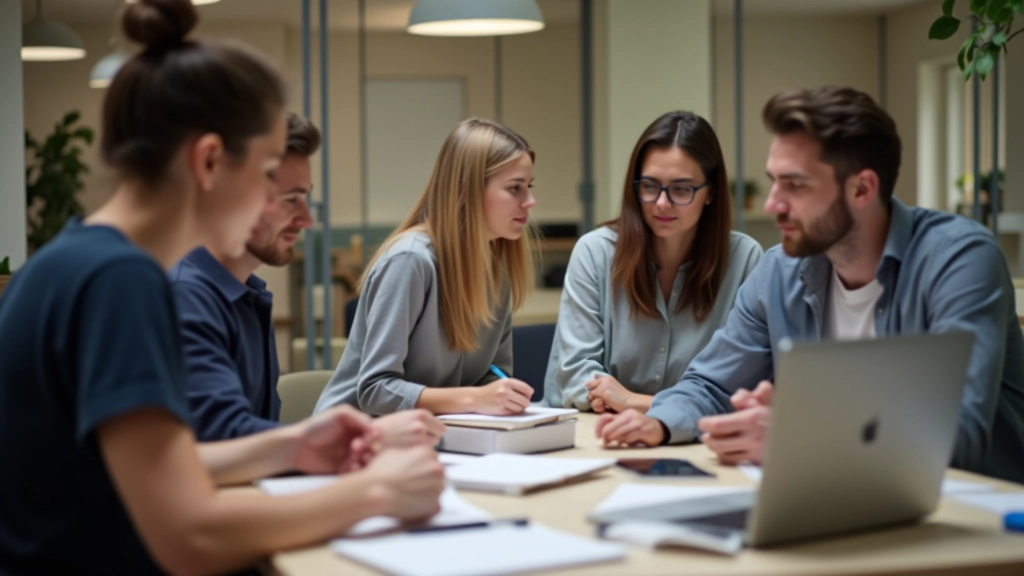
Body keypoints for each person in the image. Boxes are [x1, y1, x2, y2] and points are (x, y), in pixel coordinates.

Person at [0, 1, 443, 574]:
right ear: (209, 162)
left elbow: (153, 467)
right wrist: (378, 493)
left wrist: (293, 445)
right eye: (265, 175)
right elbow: (190, 537)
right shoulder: (121, 281)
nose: (275, 203)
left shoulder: (79, 258)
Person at [595, 86, 1024, 484]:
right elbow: (711, 384)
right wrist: (660, 423)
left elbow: (959, 434)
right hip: (840, 499)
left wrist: (799, 433)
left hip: (973, 519)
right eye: (774, 180)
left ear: (861, 188)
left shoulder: (959, 259)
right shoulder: (779, 271)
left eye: (795, 185)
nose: (772, 203)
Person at [171, 112, 444, 446]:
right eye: (291, 200)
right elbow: (220, 445)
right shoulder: (184, 297)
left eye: (306, 198)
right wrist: (363, 438)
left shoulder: (249, 295)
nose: (306, 220)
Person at [315, 118, 538, 416]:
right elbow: (375, 390)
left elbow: (493, 372)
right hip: (355, 442)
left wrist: (501, 393)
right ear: (463, 191)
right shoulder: (410, 260)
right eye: (515, 188)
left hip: (436, 436)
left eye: (529, 187)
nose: (530, 201)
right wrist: (476, 399)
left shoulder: (498, 269)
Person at [544, 111, 763, 413]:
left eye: (681, 189)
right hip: (593, 433)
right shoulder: (595, 252)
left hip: (691, 439)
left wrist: (637, 403)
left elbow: (740, 386)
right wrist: (675, 408)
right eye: (649, 186)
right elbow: (576, 377)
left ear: (710, 191)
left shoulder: (745, 259)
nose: (662, 203)